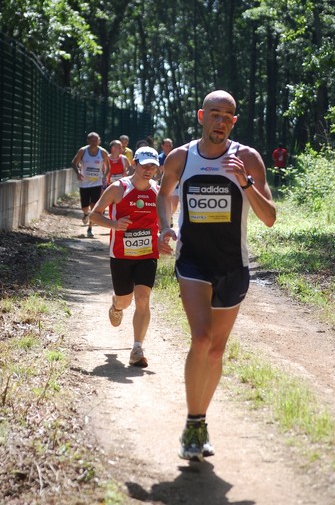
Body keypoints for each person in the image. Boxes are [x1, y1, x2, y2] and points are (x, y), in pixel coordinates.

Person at [157, 90, 276, 461]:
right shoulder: (181, 156)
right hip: (192, 261)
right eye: (214, 114)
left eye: (227, 116)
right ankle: (193, 424)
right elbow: (164, 194)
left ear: (234, 121)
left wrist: (245, 184)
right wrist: (165, 227)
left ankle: (201, 420)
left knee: (218, 349)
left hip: (233, 266)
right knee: (201, 338)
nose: (220, 121)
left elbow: (270, 217)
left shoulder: (248, 158)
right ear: (201, 116)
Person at [90, 146, 160, 368]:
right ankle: (116, 306)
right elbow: (94, 215)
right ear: (134, 164)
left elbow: (167, 218)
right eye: (144, 165)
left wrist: (164, 235)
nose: (148, 170)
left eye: (153, 166)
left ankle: (137, 349)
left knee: (142, 298)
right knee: (125, 300)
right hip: (121, 254)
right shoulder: (118, 188)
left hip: (147, 254)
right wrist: (114, 224)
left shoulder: (158, 192)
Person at [71, 132, 110, 238]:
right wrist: (78, 172)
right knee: (85, 207)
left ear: (99, 141)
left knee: (94, 206)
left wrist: (104, 176)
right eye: (92, 140)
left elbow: (108, 167)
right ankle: (85, 214)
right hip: (84, 183)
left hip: (97, 183)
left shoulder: (103, 152)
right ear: (88, 141)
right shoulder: (83, 151)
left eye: (96, 140)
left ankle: (90, 228)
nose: (94, 142)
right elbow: (74, 163)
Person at [157, 137, 179, 225]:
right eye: (166, 145)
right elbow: (157, 172)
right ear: (162, 146)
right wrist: (160, 169)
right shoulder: (159, 158)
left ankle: (169, 216)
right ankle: (165, 221)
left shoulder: (176, 156)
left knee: (174, 205)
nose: (168, 147)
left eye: (170, 145)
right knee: (164, 203)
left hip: (175, 184)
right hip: (163, 184)